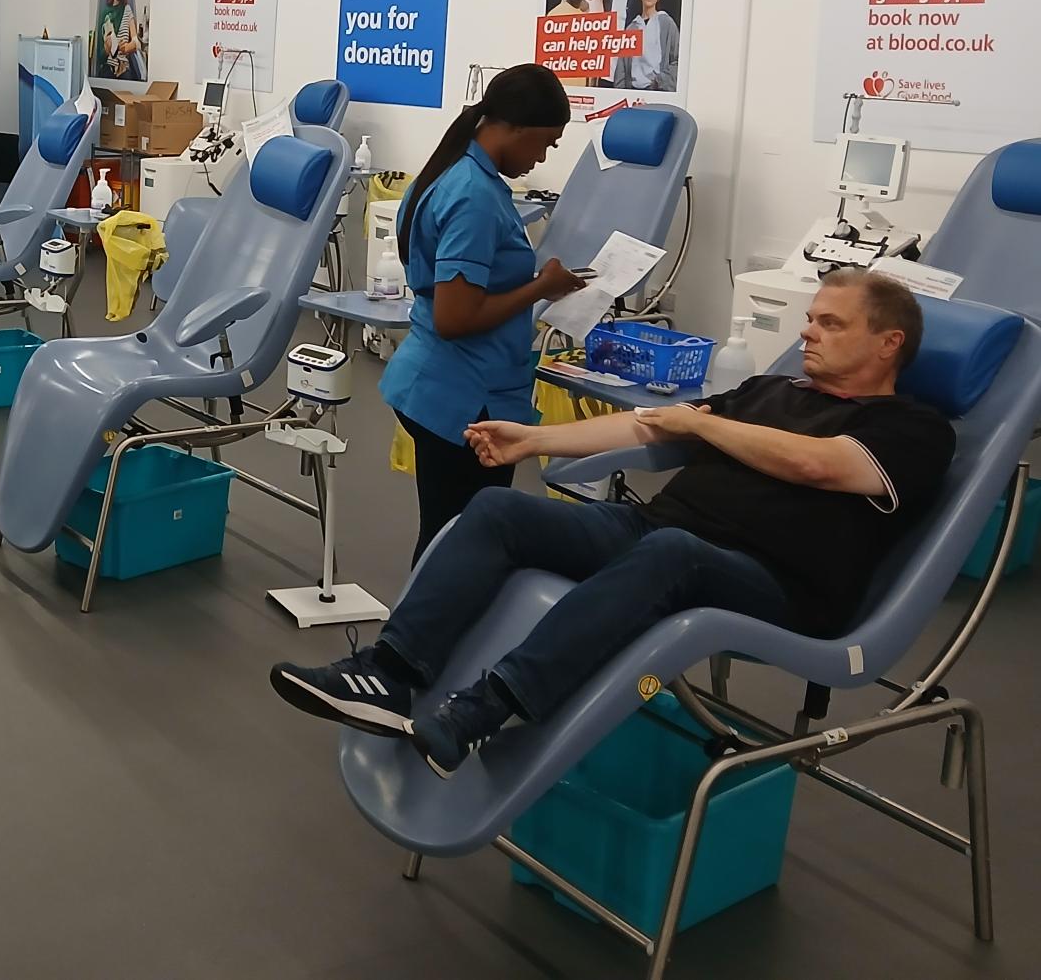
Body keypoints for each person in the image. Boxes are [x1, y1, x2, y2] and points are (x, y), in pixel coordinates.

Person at [271, 270, 952, 774]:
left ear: (889, 343)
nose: (806, 331)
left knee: (674, 554)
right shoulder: (769, 391)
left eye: (831, 323)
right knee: (499, 508)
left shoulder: (914, 431)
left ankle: (480, 712)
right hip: (657, 535)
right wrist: (530, 441)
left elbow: (823, 467)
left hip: (776, 585)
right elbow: (649, 421)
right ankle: (391, 673)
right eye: (810, 317)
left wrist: (698, 424)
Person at [384, 64, 584, 562]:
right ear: (516, 128)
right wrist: (541, 286)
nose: (542, 157)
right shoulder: (473, 196)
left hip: (437, 382)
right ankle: (423, 636)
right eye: (545, 143)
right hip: (465, 397)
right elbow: (456, 318)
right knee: (456, 544)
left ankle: (425, 631)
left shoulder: (451, 171)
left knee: (445, 534)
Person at [612, 0, 680, 93]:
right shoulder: (631, 28)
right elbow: (621, 70)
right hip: (633, 93)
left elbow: (678, 60)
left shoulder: (666, 23)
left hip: (657, 91)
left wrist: (660, 81)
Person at [95, 0, 144, 79]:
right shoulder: (105, 13)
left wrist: (127, 47)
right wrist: (107, 49)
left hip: (123, 68)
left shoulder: (127, 10)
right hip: (108, 67)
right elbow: (100, 54)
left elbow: (136, 42)